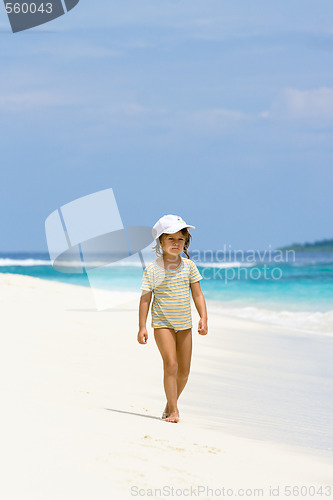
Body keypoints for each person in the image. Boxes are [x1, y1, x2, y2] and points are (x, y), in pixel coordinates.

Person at [137, 214, 208, 423]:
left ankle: (169, 404)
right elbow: (145, 300)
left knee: (184, 371)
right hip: (162, 324)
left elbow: (198, 294)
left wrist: (203, 317)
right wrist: (142, 327)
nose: (176, 243)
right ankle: (175, 411)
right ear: (160, 241)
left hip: (185, 324)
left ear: (185, 241)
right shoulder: (152, 269)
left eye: (180, 239)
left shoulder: (189, 266)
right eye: (171, 239)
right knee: (171, 364)